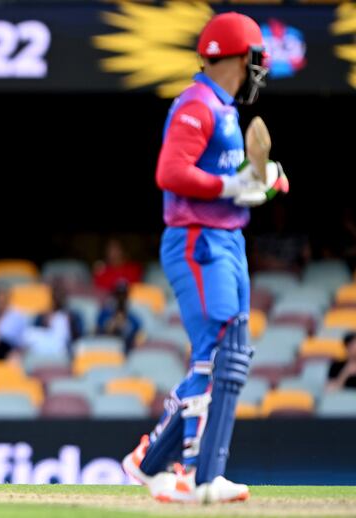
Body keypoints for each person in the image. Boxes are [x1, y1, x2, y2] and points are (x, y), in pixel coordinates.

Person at [121, 13, 280, 504]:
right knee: (214, 358)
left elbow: (235, 173)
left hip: (227, 239)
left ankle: (152, 464)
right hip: (197, 240)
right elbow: (170, 172)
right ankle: (198, 475)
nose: (259, 68)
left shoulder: (225, 109)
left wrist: (267, 180)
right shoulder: (197, 103)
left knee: (231, 356)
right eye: (255, 57)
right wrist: (232, 186)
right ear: (235, 56)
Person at [96, 280, 141, 355]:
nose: (120, 298)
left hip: (125, 351)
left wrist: (125, 326)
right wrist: (109, 326)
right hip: (105, 348)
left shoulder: (133, 317)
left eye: (123, 295)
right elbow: (97, 331)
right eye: (118, 295)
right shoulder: (104, 314)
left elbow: (137, 335)